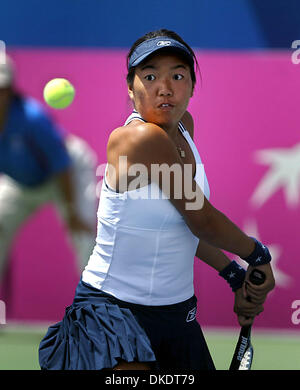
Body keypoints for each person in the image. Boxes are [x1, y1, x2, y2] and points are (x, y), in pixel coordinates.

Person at [38, 29, 275, 370]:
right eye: (149, 77)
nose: (165, 88)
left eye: (178, 76)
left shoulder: (184, 127)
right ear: (130, 89)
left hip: (178, 317)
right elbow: (200, 218)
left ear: (192, 86)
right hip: (115, 316)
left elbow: (179, 227)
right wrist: (257, 254)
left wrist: (235, 275)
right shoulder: (138, 138)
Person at [0, 55, 97, 278]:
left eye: (2, 88)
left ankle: (95, 303)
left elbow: (62, 165)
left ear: (10, 89)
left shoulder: (32, 117)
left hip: (66, 173)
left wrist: (72, 211)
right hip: (20, 182)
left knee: (82, 233)